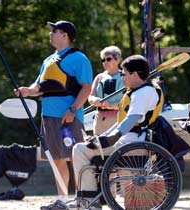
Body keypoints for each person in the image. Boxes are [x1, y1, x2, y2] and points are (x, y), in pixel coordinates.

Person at [15, 20, 93, 209]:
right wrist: (27, 91)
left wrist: (73, 109)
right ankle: (62, 200)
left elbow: (87, 88)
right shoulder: (48, 60)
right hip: (48, 116)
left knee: (76, 157)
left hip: (68, 117)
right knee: (56, 159)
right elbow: (39, 86)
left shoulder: (79, 58)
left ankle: (81, 198)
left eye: (54, 31)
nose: (50, 34)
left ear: (65, 35)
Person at [72, 55, 164, 209]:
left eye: (124, 74)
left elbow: (130, 121)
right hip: (129, 142)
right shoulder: (139, 92)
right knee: (85, 147)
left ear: (134, 75)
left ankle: (88, 201)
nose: (122, 77)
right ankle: (90, 199)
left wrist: (108, 140)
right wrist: (100, 137)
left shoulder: (143, 93)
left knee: (80, 150)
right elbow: (122, 123)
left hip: (133, 145)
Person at [88, 46, 124, 135]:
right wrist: (94, 100)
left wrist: (111, 106)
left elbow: (129, 101)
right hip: (100, 119)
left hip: (119, 119)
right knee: (99, 146)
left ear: (118, 60)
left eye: (108, 59)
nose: (105, 62)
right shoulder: (99, 77)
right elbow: (90, 96)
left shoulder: (125, 77)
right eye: (103, 60)